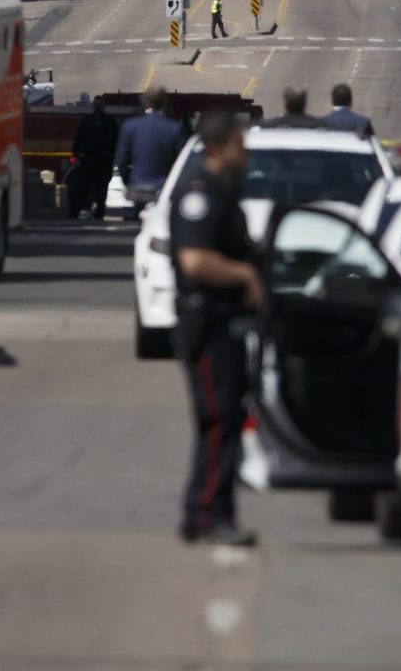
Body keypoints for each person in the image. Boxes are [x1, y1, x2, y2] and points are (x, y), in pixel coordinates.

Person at [169, 111, 263, 547]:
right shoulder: (199, 195)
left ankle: (210, 511)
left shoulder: (225, 192)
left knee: (227, 418)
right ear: (217, 148)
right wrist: (244, 276)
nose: (244, 153)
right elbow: (194, 260)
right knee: (217, 418)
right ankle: (206, 514)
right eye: (238, 145)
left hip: (224, 322)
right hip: (205, 322)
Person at [115, 87, 189, 210]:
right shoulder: (175, 128)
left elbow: (122, 160)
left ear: (145, 102)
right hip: (163, 188)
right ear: (165, 103)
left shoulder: (129, 126)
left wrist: (128, 181)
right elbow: (181, 161)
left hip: (138, 187)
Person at [68, 104, 119, 219]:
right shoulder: (90, 120)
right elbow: (79, 137)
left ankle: (97, 211)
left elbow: (115, 141)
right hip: (90, 158)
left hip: (101, 159)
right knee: (84, 187)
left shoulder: (107, 122)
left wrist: (75, 153)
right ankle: (76, 211)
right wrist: (75, 153)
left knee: (99, 188)